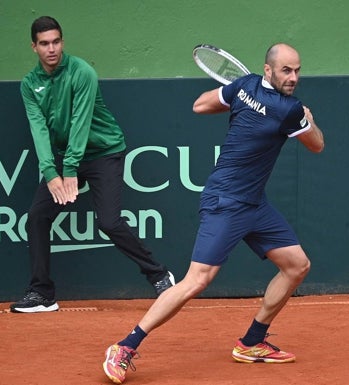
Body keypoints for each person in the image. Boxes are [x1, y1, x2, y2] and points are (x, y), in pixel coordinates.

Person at [102, 43, 324, 384]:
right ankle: (125, 346)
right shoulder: (290, 109)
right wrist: (308, 119)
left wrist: (239, 101)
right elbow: (317, 144)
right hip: (225, 201)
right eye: (286, 71)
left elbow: (201, 104)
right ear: (269, 70)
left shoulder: (244, 85)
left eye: (297, 70)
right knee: (197, 280)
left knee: (297, 266)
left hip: (253, 202)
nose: (293, 77)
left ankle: (252, 342)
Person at [10, 16, 174, 313]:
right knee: (36, 216)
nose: (52, 49)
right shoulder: (29, 85)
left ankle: (160, 275)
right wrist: (51, 172)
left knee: (109, 221)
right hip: (66, 156)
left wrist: (70, 169)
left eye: (56, 42)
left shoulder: (82, 72)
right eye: (44, 44)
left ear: (63, 42)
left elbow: (80, 122)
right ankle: (42, 293)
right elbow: (39, 129)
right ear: (34, 47)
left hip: (103, 152)